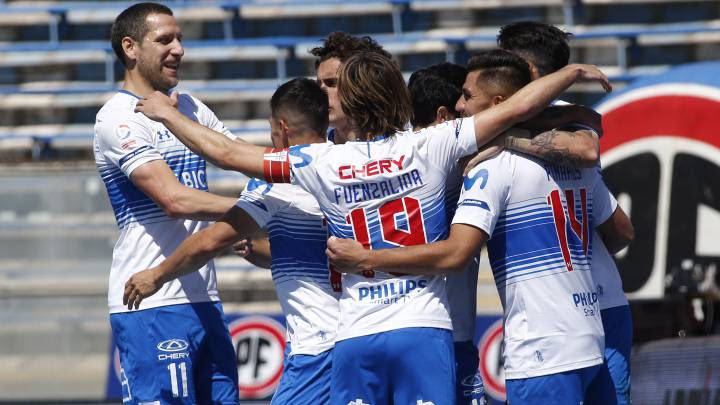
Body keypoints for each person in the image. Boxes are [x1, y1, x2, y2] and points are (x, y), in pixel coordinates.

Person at [130, 51, 611, 404]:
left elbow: (228, 154)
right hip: (423, 328)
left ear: (349, 107)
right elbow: (513, 109)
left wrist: (168, 113)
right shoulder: (433, 145)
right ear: (397, 96)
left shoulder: (322, 161)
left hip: (356, 333)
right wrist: (568, 74)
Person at [325, 50, 634, 405]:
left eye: (468, 96)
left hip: (540, 346)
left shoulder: (490, 168)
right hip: (591, 331)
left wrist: (366, 257)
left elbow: (458, 253)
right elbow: (622, 230)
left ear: (500, 102)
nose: (459, 104)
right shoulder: (575, 159)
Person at [124, 78, 338, 404]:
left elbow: (209, 241)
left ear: (281, 127)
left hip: (318, 345)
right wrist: (261, 250)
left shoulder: (278, 181)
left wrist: (156, 275)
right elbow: (320, 251)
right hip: (358, 335)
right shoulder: (347, 162)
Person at [94, 3, 239, 404]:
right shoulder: (118, 118)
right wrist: (255, 211)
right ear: (131, 47)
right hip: (152, 303)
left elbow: (235, 152)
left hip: (204, 297)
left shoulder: (189, 106)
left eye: (180, 39)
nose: (178, 49)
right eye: (164, 40)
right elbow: (173, 200)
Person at [499, 21, 634, 405]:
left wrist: (500, 138)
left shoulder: (567, 116)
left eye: (505, 64)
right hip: (567, 313)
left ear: (530, 72)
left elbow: (587, 152)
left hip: (592, 306)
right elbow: (621, 231)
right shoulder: (503, 117)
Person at [408, 62, 488, 405]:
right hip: (448, 333)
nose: (467, 114)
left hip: (400, 328)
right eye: (464, 104)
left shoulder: (386, 155)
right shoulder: (463, 159)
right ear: (444, 115)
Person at [310, 31, 393, 144]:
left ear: (363, 86)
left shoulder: (401, 147)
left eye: (332, 83)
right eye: (319, 84)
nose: (321, 92)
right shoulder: (315, 154)